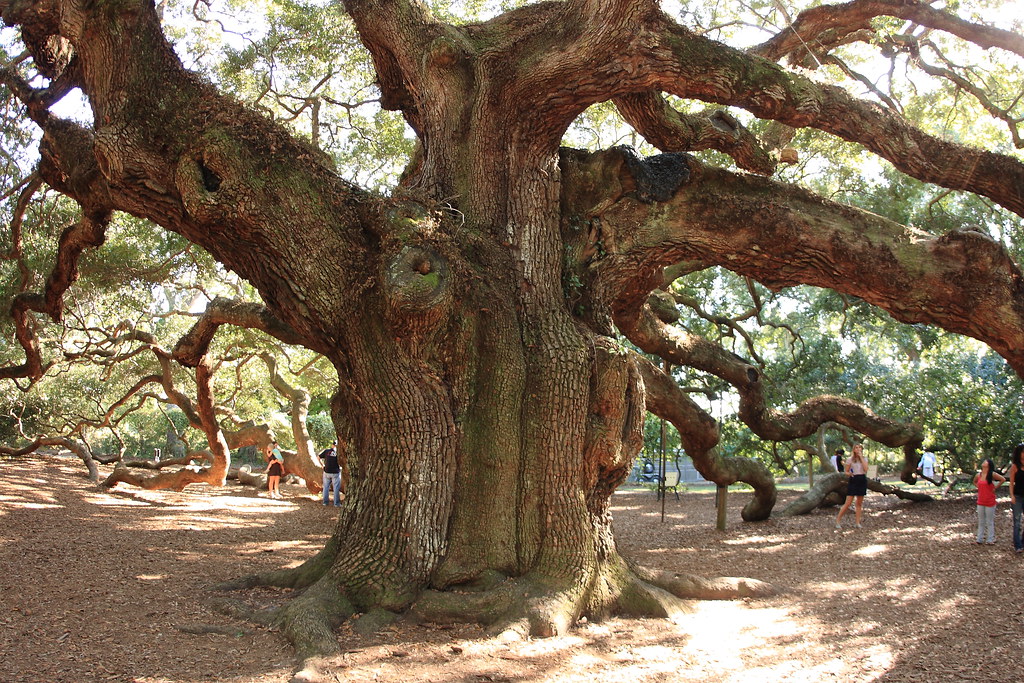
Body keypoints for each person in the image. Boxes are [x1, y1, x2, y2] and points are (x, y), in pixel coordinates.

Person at [835, 444, 868, 530]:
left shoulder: (864, 459)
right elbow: (846, 471)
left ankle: (857, 523)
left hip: (862, 479)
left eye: (859, 447)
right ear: (853, 449)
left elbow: (866, 469)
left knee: (859, 503)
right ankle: (838, 521)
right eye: (856, 448)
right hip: (854, 479)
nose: (858, 449)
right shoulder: (850, 459)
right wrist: (849, 473)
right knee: (848, 502)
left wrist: (861, 458)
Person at [974, 458, 1005, 545]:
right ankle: (979, 539)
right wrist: (979, 487)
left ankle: (990, 539)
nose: (983, 462)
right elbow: (975, 482)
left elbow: (1003, 479)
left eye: (985, 462)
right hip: (980, 501)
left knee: (989, 521)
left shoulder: (992, 474)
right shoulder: (978, 475)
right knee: (981, 521)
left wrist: (995, 487)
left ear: (989, 465)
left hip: (990, 501)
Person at [318, 441, 343, 507]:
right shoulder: (339, 453)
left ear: (332, 445)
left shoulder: (327, 451)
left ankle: (325, 502)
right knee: (336, 488)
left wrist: (322, 465)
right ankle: (336, 504)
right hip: (335, 473)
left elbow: (318, 457)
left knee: (326, 487)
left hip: (327, 472)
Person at [1011, 445, 1024, 554]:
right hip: (1018, 496)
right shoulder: (1015, 467)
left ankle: (1022, 542)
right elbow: (1011, 483)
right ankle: (1017, 545)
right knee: (1017, 521)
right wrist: (1012, 496)